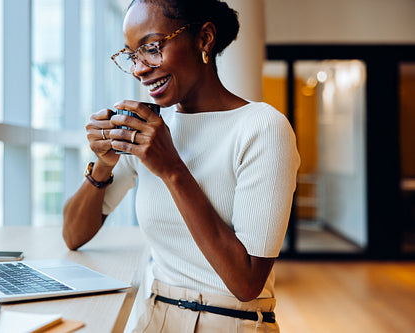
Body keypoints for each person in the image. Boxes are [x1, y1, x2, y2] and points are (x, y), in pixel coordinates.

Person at [63, 0, 300, 332]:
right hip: (153, 317)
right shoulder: (150, 127)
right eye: (132, 55)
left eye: (151, 48)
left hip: (232, 322)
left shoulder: (262, 128)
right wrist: (104, 165)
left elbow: (246, 283)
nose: (139, 68)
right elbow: (73, 235)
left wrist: (172, 169)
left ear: (204, 39)